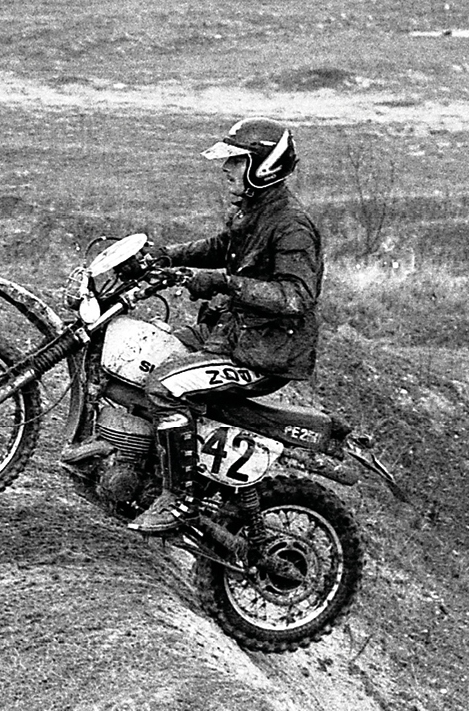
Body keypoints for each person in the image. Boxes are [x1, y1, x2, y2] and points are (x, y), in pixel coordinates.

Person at [129, 117, 325, 534]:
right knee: (147, 355)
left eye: (236, 161)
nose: (226, 169)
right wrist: (164, 257)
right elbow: (222, 247)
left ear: (263, 166)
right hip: (234, 334)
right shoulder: (255, 211)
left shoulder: (292, 224)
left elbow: (295, 296)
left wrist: (224, 282)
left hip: (265, 352)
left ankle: (178, 499)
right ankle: (132, 457)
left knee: (165, 386)